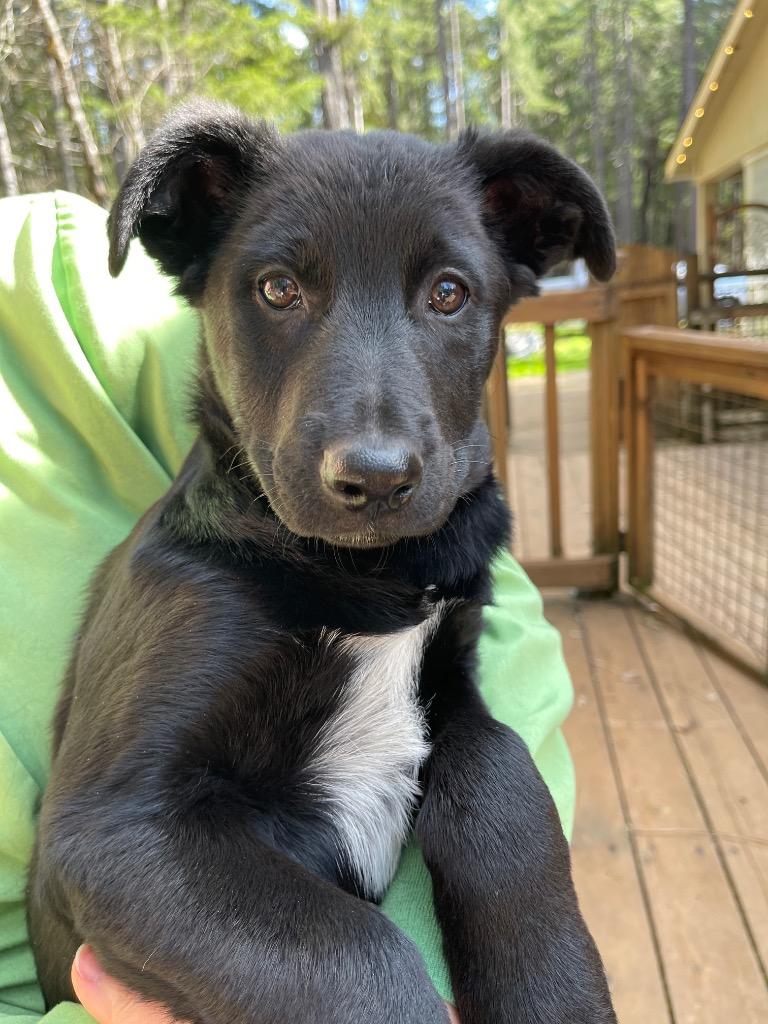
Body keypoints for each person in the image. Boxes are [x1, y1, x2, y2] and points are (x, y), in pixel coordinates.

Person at [0, 191, 575, 1024]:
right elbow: (111, 840)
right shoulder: (199, 579)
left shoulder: (57, 277)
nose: (374, 453)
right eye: (281, 290)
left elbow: (491, 687)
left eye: (446, 294)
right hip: (120, 980)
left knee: (491, 776)